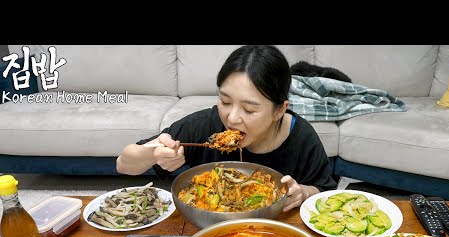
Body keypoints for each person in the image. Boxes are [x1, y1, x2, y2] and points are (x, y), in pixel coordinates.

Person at [116, 45, 337, 212]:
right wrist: (153, 152)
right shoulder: (206, 125)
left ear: (279, 110)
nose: (232, 118)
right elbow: (123, 164)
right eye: (225, 102)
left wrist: (302, 193)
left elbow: (325, 191)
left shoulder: (302, 137)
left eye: (249, 110)